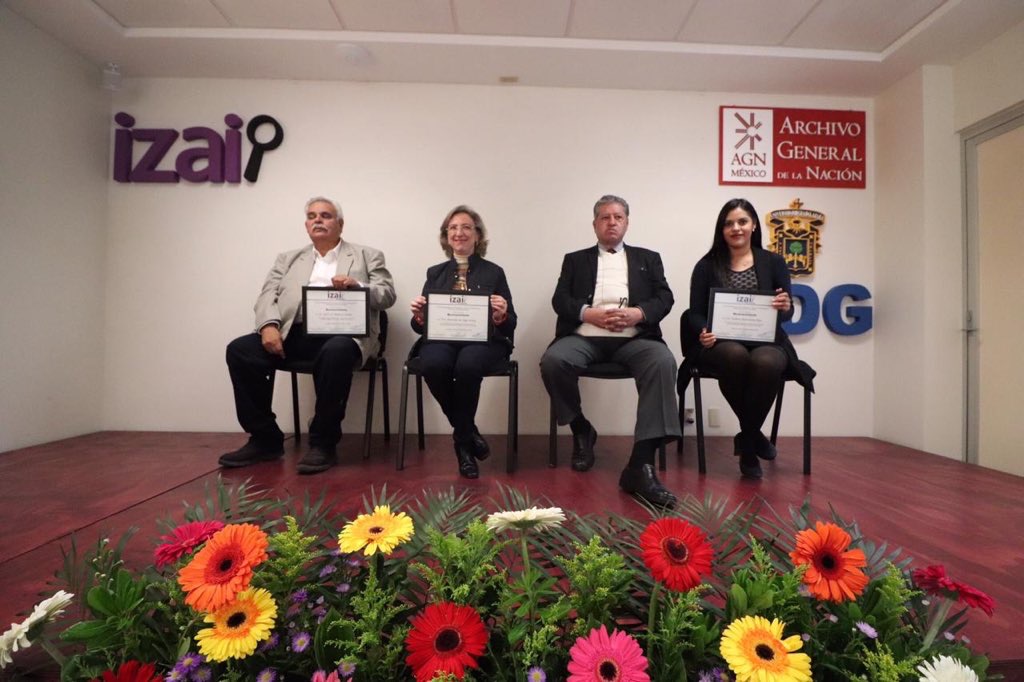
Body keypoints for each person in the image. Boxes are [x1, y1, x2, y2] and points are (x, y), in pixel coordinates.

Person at [220, 196, 396, 474]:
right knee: (240, 350)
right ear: (306, 225)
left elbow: (387, 296)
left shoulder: (367, 255)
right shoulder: (288, 258)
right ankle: (265, 438)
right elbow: (267, 295)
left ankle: (323, 442)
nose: (318, 220)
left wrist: (358, 285)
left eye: (325, 215)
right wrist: (268, 326)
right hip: (295, 333)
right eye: (312, 216)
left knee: (336, 351)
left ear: (340, 224)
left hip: (344, 334)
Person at [540, 194, 681, 507]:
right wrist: (588, 313)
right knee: (554, 361)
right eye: (605, 217)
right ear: (595, 224)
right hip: (585, 336)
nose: (612, 222)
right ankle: (581, 429)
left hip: (634, 339)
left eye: (618, 217)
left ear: (627, 223)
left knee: (663, 362)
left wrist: (638, 313)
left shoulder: (648, 258)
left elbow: (665, 298)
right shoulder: (575, 260)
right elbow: (560, 299)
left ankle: (641, 464)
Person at [685, 197, 813, 479]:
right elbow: (694, 313)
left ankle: (747, 439)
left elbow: (786, 313)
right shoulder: (706, 265)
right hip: (720, 343)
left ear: (754, 225)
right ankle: (754, 438)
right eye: (728, 223)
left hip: (767, 341)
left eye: (742, 221)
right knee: (735, 356)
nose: (736, 228)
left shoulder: (774, 262)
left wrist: (785, 306)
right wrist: (703, 330)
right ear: (721, 230)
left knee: (767, 362)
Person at [409, 205, 516, 479]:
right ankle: (468, 432)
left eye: (466, 227)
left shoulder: (494, 272)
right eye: (453, 228)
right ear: (446, 236)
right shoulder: (435, 273)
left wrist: (501, 315)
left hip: (483, 341)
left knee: (468, 365)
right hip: (442, 339)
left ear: (477, 235)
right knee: (433, 364)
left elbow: (511, 322)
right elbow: (420, 325)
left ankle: (462, 445)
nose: (459, 232)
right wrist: (420, 316)